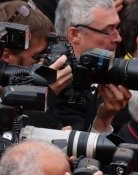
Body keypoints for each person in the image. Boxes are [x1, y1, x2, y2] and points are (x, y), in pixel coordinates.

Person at [53, 0, 131, 131]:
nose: (118, 38)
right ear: (75, 34)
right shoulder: (57, 89)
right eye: (108, 30)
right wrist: (102, 120)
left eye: (117, 28)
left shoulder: (112, 74)